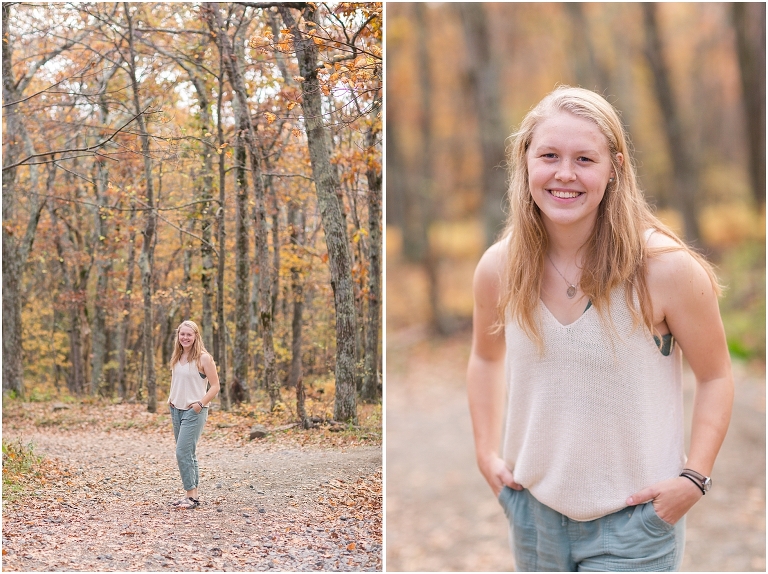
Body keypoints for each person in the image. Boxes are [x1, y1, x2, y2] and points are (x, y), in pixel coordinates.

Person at [467, 86, 733, 572]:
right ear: (525, 160)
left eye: (584, 159)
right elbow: (485, 358)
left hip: (635, 525)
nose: (564, 174)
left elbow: (716, 376)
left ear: (615, 167)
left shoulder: (664, 269)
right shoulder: (499, 267)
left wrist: (694, 480)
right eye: (549, 155)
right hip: (534, 517)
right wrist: (487, 454)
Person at [167, 320, 220, 510]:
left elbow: (215, 386)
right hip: (176, 409)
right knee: (189, 453)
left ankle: (189, 496)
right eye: (182, 334)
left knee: (182, 452)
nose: (185, 338)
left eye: (189, 334)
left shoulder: (204, 358)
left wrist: (199, 404)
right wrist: (171, 399)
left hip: (194, 411)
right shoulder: (177, 357)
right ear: (178, 336)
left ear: (196, 336)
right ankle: (193, 496)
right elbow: (178, 382)